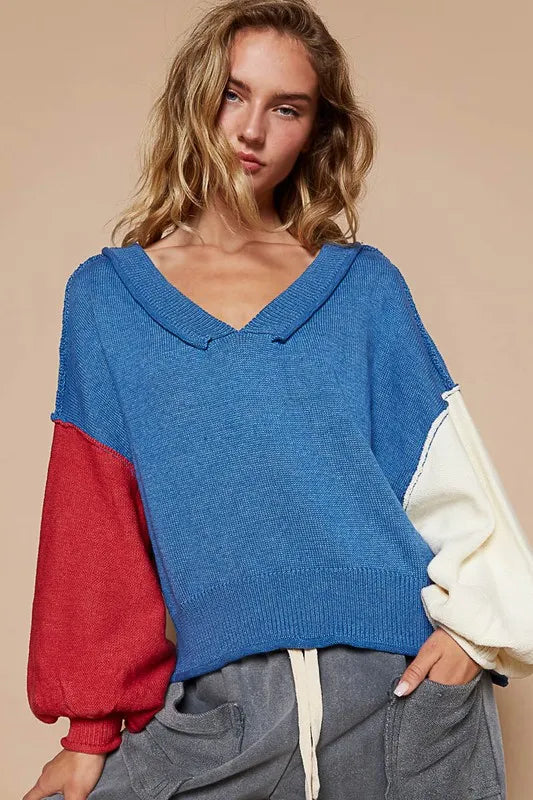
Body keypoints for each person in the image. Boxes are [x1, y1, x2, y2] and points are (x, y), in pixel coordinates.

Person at [23, 1, 533, 799]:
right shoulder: (106, 301)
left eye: (286, 108)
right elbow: (93, 520)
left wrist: (473, 637)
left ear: (314, 131)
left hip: (400, 703)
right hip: (224, 715)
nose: (252, 129)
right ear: (194, 97)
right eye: (233, 94)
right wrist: (90, 732)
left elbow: (449, 481)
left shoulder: (363, 290)